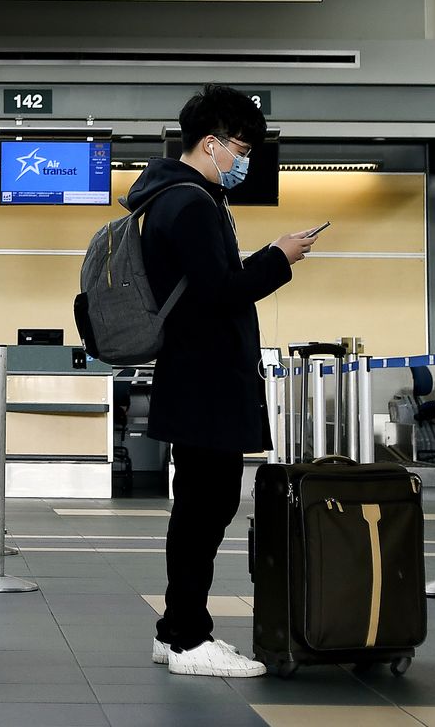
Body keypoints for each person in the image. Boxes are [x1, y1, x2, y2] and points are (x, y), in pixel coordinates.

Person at [130, 84, 317, 678]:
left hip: (194, 376)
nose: (245, 160)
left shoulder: (169, 197)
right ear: (209, 144)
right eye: (240, 147)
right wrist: (278, 258)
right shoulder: (189, 204)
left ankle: (176, 631)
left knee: (199, 508)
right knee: (204, 510)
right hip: (205, 379)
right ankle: (188, 637)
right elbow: (219, 294)